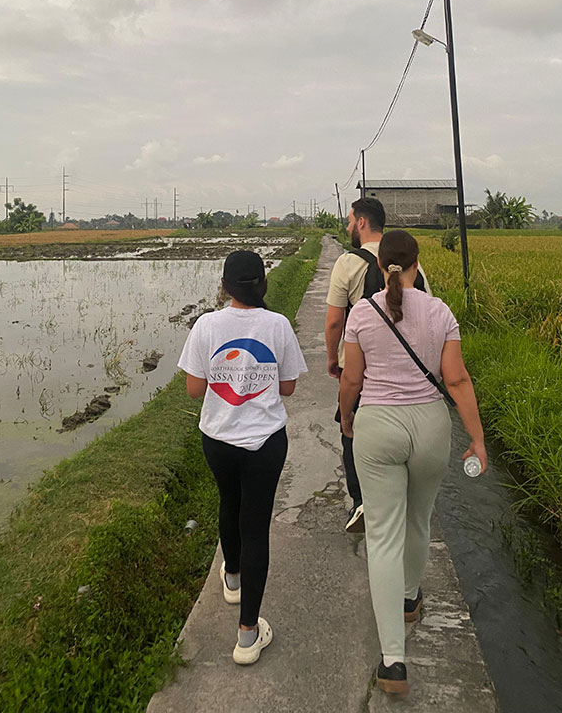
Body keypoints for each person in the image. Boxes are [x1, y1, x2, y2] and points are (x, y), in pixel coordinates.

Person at [339, 229, 486, 696]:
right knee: (419, 522)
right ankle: (407, 599)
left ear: (380, 266)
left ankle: (394, 662)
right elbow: (457, 380)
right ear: (417, 264)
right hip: (429, 427)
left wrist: (347, 420)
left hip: (378, 427)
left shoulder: (362, 312)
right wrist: (478, 441)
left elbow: (351, 381)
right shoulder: (441, 311)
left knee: (382, 536)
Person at [178, 249, 307, 665]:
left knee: (228, 504)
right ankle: (248, 635)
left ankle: (232, 576)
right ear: (263, 284)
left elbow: (195, 390)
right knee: (256, 527)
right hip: (266, 442)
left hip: (218, 439)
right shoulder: (278, 325)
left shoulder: (206, 325)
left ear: (224, 286)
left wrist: (227, 376)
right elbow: (287, 388)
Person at [325, 197, 430, 533]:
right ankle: (402, 499)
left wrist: (333, 358)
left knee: (352, 430)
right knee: (404, 435)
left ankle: (363, 503)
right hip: (409, 374)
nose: (346, 226)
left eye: (349, 220)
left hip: (361, 369)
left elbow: (333, 323)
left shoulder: (347, 263)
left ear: (361, 223)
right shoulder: (413, 265)